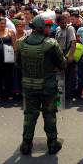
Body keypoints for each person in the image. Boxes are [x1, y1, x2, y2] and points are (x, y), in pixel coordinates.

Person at [16, 15, 66, 155]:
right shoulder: (51, 43)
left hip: (29, 85)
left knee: (29, 115)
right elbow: (62, 64)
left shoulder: (21, 43)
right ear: (41, 28)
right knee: (49, 114)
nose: (50, 28)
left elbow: (18, 64)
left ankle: (26, 145)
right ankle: (52, 144)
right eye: (47, 26)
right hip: (48, 86)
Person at [55, 15, 76, 99]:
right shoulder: (57, 29)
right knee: (60, 75)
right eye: (62, 23)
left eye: (65, 22)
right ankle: (61, 93)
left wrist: (70, 56)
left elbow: (73, 42)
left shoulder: (70, 29)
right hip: (60, 54)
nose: (64, 24)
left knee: (69, 75)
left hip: (68, 53)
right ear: (58, 23)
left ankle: (69, 94)